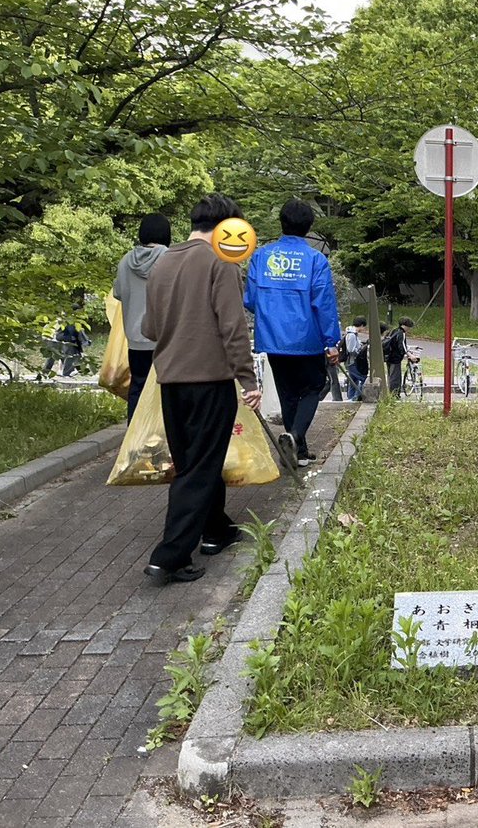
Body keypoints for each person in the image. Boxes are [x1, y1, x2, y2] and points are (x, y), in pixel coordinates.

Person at [141, 193, 262, 584]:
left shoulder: (163, 262)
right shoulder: (219, 262)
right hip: (209, 381)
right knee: (197, 469)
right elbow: (233, 327)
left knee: (195, 461)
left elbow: (149, 328)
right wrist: (248, 379)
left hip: (171, 381)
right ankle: (170, 555)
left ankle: (216, 530)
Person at [244, 199, 341, 468]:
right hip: (307, 339)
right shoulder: (315, 260)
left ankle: (297, 451)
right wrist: (331, 342)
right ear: (309, 227)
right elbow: (323, 303)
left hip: (273, 339)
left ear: (281, 223)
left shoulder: (261, 256)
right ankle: (295, 436)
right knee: (315, 386)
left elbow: (250, 300)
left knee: (288, 393)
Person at [114, 213, 171, 422]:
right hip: (165, 340)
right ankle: (162, 440)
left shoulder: (126, 261)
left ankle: (134, 437)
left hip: (135, 340)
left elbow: (118, 293)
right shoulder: (170, 259)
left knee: (137, 388)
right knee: (166, 393)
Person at [385, 317, 414, 394]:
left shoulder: (393, 331)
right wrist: (409, 355)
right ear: (404, 326)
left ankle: (390, 392)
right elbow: (402, 346)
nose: (409, 329)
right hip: (395, 358)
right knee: (395, 377)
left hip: (388, 356)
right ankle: (395, 394)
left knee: (390, 376)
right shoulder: (401, 333)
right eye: (409, 327)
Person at [343, 316, 368, 401]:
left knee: (353, 381)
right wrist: (359, 350)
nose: (364, 328)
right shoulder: (352, 335)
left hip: (351, 361)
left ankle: (351, 398)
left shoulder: (351, 333)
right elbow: (351, 349)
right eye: (364, 326)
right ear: (361, 325)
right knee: (363, 379)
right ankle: (355, 398)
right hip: (352, 361)